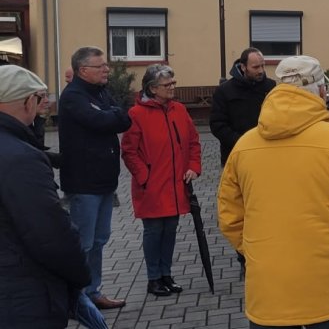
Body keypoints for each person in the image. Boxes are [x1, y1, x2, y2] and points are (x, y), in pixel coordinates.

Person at [218, 55, 329, 329]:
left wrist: (256, 252)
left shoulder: (244, 146)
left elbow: (229, 217)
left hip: (268, 293)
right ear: (321, 91)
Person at [0, 66, 91, 329]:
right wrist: (79, 276)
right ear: (28, 101)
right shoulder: (21, 157)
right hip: (21, 296)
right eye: (40, 98)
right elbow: (49, 233)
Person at [58, 47, 132, 310]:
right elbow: (100, 121)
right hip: (84, 182)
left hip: (104, 181)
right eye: (100, 66)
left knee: (99, 240)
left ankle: (92, 292)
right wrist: (110, 115)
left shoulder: (99, 92)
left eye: (105, 65)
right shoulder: (73, 97)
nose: (106, 70)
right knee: (84, 243)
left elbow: (123, 119)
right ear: (83, 70)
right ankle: (76, 296)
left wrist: (110, 115)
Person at [121, 65, 202, 297]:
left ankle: (166, 274)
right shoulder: (136, 114)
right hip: (152, 186)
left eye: (173, 83)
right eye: (167, 85)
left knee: (170, 231)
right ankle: (153, 278)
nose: (172, 87)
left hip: (176, 184)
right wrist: (144, 176)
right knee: (154, 231)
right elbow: (129, 151)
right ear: (153, 88)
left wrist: (193, 167)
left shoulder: (179, 110)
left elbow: (193, 142)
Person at [209, 47, 275, 277]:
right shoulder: (225, 91)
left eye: (263, 65)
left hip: (268, 160)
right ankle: (244, 258)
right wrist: (243, 144)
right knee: (243, 211)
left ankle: (268, 253)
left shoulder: (271, 88)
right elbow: (217, 125)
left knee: (267, 209)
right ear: (243, 66)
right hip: (236, 159)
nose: (261, 70)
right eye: (256, 67)